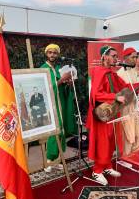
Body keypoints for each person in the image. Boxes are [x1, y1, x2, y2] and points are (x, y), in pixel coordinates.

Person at [86, 45, 128, 185]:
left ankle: (107, 166)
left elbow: (125, 86)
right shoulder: (99, 72)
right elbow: (96, 95)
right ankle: (97, 171)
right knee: (103, 143)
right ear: (105, 57)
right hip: (102, 114)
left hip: (112, 113)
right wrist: (114, 96)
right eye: (114, 56)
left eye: (117, 56)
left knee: (111, 141)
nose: (117, 58)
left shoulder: (111, 73)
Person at [40, 44, 76, 172]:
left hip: (60, 103)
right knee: (53, 131)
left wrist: (68, 84)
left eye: (55, 53)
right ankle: (49, 160)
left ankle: (56, 159)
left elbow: (61, 87)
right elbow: (43, 89)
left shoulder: (59, 69)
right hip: (50, 106)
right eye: (50, 52)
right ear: (46, 54)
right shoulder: (43, 69)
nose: (52, 55)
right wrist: (61, 81)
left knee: (60, 130)